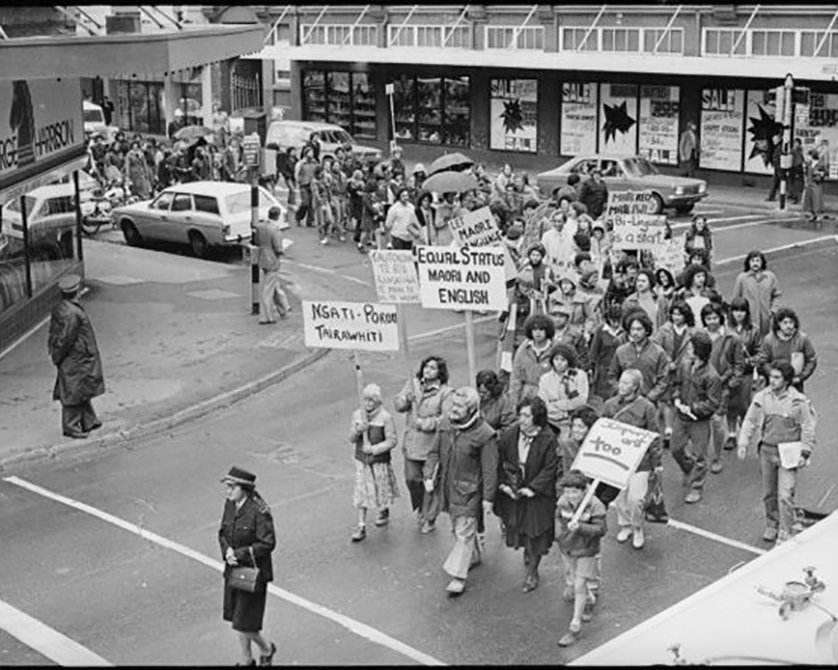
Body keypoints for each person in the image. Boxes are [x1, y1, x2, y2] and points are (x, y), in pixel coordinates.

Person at [426, 387, 498, 596]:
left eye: (459, 406)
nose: (453, 409)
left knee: (463, 532)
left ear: (472, 409)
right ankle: (473, 556)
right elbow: (433, 453)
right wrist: (428, 475)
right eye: (453, 404)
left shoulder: (485, 435)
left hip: (470, 493)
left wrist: (488, 498)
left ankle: (458, 575)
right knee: (457, 529)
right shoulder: (445, 425)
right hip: (448, 489)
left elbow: (490, 469)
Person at [737, 361, 817, 545]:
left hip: (788, 455)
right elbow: (750, 421)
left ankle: (785, 531)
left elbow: (807, 427)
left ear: (787, 380)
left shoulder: (799, 402)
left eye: (776, 377)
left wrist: (805, 452)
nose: (771, 381)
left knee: (785, 494)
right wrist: (743, 442)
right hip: (767, 451)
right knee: (769, 493)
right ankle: (772, 523)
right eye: (770, 377)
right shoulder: (762, 397)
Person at [495, 396, 559, 593]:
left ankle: (533, 571)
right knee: (519, 527)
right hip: (515, 491)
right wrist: (505, 484)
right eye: (520, 414)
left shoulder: (548, 438)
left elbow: (550, 469)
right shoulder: (510, 435)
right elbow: (500, 460)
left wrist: (533, 488)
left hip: (538, 495)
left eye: (526, 416)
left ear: (537, 417)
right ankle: (528, 552)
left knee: (536, 533)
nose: (522, 420)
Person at [219, 467, 277, 667]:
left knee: (243, 622)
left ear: (243, 489)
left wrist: (240, 553)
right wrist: (227, 551)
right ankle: (247, 660)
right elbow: (223, 532)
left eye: (231, 487)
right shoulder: (230, 504)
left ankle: (267, 648)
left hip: (253, 574)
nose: (228, 491)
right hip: (234, 570)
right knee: (238, 619)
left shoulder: (259, 511)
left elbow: (267, 543)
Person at [393, 356, 455, 534]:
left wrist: (425, 424)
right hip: (412, 444)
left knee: (431, 482)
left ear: (440, 372)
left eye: (433, 368)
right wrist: (405, 399)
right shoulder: (413, 384)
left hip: (431, 446)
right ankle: (420, 505)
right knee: (412, 479)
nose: (428, 370)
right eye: (426, 367)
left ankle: (430, 517)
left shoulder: (446, 393)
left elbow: (446, 419)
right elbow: (398, 404)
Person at [603, 369, 662, 550]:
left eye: (627, 383)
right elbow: (603, 428)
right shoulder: (610, 405)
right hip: (617, 459)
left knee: (635, 499)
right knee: (620, 497)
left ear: (636, 386)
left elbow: (654, 435)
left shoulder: (647, 407)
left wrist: (656, 464)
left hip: (640, 462)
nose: (622, 385)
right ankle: (625, 524)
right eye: (621, 381)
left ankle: (637, 527)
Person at [47, 275, 105, 439]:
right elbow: (66, 338)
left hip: (76, 357)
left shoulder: (63, 307)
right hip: (76, 358)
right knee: (73, 391)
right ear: (76, 291)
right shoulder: (72, 313)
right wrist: (58, 356)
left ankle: (89, 419)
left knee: (81, 388)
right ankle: (71, 426)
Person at [555, 469, 607, 647]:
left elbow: (601, 530)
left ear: (584, 490)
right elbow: (558, 518)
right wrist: (559, 536)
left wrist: (581, 528)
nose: (570, 496)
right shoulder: (563, 501)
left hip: (587, 550)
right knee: (577, 584)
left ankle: (574, 627)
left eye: (575, 492)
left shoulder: (596, 505)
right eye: (567, 491)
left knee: (578, 586)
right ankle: (589, 599)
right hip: (568, 549)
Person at [670, 330, 722, 504]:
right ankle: (689, 469)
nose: (688, 350)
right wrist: (676, 398)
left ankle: (696, 487)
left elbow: (713, 403)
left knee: (700, 455)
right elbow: (677, 384)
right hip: (681, 417)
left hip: (699, 421)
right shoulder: (685, 365)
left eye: (691, 347)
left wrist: (692, 408)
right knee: (675, 448)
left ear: (700, 351)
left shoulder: (712, 375)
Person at [348, 383, 400, 542]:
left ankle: (384, 509)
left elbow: (392, 441)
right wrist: (357, 430)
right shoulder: (357, 415)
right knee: (362, 492)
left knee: (381, 489)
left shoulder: (385, 417)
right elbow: (350, 438)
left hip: (379, 462)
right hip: (362, 461)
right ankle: (361, 525)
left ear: (378, 401)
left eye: (371, 400)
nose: (368, 404)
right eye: (366, 400)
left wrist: (375, 449)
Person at [701, 302, 744, 474]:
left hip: (722, 386)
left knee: (717, 422)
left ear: (722, 318)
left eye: (714, 318)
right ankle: (701, 457)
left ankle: (716, 457)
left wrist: (731, 383)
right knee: (701, 425)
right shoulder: (699, 336)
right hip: (700, 387)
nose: (711, 321)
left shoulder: (732, 338)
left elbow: (738, 365)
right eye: (708, 318)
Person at [652, 300, 696, 446]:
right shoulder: (664, 330)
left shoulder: (693, 331)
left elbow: (695, 350)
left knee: (684, 399)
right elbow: (655, 347)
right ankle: (669, 430)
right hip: (667, 371)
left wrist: (685, 363)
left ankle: (683, 431)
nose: (676, 317)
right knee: (666, 400)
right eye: (674, 314)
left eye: (680, 314)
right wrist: (667, 361)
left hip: (685, 370)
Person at [606, 311, 669, 403]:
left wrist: (649, 398)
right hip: (624, 401)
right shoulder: (621, 351)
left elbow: (663, 380)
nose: (635, 333)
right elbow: (612, 376)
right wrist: (621, 393)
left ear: (647, 330)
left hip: (648, 402)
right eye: (632, 329)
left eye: (639, 329)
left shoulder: (659, 352)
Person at [756, 307, 817, 393]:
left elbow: (811, 360)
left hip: (795, 384)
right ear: (778, 324)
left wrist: (800, 377)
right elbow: (763, 361)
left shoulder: (802, 339)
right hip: (774, 385)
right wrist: (775, 376)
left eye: (791, 322)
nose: (788, 326)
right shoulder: (769, 340)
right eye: (785, 323)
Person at [728, 297, 762, 448]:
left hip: (746, 372)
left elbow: (760, 353)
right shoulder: (727, 328)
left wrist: (748, 362)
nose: (738, 314)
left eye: (742, 310)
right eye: (735, 310)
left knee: (743, 403)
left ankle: (745, 430)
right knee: (730, 403)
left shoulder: (753, 330)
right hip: (729, 372)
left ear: (747, 312)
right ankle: (731, 434)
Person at [537, 343, 589, 441]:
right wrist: (562, 409)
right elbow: (543, 404)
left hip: (571, 421)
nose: (559, 363)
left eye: (563, 360)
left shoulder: (580, 376)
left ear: (568, 361)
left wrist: (558, 404)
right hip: (551, 421)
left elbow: (581, 401)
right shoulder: (545, 379)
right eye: (556, 359)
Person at [732, 250, 782, 339]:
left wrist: (773, 310)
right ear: (748, 263)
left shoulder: (770, 277)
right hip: (748, 319)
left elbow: (776, 295)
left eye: (757, 261)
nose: (755, 263)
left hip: (766, 319)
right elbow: (736, 300)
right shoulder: (742, 278)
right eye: (752, 261)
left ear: (762, 262)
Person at [509, 313, 555, 408]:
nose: (538, 333)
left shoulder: (555, 348)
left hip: (549, 396)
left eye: (541, 329)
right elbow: (516, 377)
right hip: (526, 396)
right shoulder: (523, 350)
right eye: (534, 329)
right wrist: (514, 402)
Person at [254, 206, 290, 324]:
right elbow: (278, 248)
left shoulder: (260, 226)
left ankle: (283, 309)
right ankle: (266, 316)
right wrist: (282, 250)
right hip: (273, 260)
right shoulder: (275, 229)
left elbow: (257, 241)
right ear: (278, 216)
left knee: (274, 286)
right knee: (268, 289)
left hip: (262, 258)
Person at [588, 303, 624, 407]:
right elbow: (594, 351)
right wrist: (591, 368)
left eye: (618, 320)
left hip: (621, 369)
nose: (616, 324)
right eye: (613, 320)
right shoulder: (601, 330)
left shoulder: (625, 331)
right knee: (606, 398)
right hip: (605, 370)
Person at [294, 146, 317, 227]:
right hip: (303, 185)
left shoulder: (314, 163)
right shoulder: (301, 163)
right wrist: (298, 182)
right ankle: (298, 217)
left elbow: (317, 173)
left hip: (312, 185)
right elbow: (296, 174)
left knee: (312, 204)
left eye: (312, 152)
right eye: (310, 152)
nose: (311, 154)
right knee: (305, 202)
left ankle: (310, 221)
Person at [802, 148, 826, 221]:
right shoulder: (809, 164)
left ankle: (817, 214)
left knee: (816, 199)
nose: (807, 157)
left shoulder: (820, 164)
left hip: (816, 183)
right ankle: (812, 214)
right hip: (809, 183)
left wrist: (820, 174)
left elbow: (824, 172)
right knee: (809, 199)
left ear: (812, 156)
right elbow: (806, 173)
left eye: (809, 156)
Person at [766, 135, 783, 202]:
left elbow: (778, 158)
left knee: (776, 182)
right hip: (777, 167)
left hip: (778, 167)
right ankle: (771, 196)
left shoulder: (779, 148)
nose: (774, 141)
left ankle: (772, 196)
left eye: (775, 140)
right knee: (775, 182)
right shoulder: (777, 147)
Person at [789, 138, 804, 204]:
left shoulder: (796, 149)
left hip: (796, 166)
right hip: (797, 166)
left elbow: (791, 156)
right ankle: (794, 195)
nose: (794, 144)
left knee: (796, 183)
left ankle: (796, 197)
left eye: (795, 142)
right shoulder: (799, 150)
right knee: (796, 182)